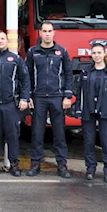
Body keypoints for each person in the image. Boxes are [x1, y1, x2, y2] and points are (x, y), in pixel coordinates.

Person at [26, 21, 73, 178]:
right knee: (37, 133)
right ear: (40, 33)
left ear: (54, 33)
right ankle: (35, 164)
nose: (47, 34)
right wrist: (29, 96)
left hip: (57, 97)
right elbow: (27, 76)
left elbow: (68, 74)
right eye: (44, 31)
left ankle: (62, 165)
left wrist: (67, 95)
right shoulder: (33, 52)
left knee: (59, 133)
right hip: (38, 98)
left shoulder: (62, 52)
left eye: (49, 31)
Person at [0, 30, 30, 176]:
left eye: (2, 39)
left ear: (7, 41)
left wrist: (24, 98)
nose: (0, 41)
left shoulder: (16, 59)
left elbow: (25, 80)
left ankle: (14, 164)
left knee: (12, 135)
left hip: (11, 104)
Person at [74, 43, 107, 183]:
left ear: (104, 54)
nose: (97, 55)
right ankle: (90, 169)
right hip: (88, 110)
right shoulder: (86, 72)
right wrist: (78, 109)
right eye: (94, 53)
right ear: (91, 55)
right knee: (89, 141)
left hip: (106, 110)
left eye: (99, 53)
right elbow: (79, 92)